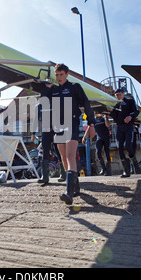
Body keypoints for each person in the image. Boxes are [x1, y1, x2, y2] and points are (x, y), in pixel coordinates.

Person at [50, 64, 95, 205]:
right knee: (63, 157)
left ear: (67, 74)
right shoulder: (54, 90)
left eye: (61, 74)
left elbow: (86, 104)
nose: (59, 77)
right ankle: (76, 187)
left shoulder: (75, 87)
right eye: (57, 75)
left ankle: (68, 193)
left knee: (70, 156)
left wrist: (91, 124)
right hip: (58, 126)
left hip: (72, 124)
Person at [108, 88, 141, 178]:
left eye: (119, 94)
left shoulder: (130, 101)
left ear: (123, 93)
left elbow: (136, 111)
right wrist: (110, 111)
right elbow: (115, 117)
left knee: (128, 145)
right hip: (118, 127)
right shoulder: (115, 104)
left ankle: (133, 160)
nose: (118, 96)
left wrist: (130, 116)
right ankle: (126, 170)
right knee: (119, 147)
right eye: (116, 95)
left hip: (128, 126)